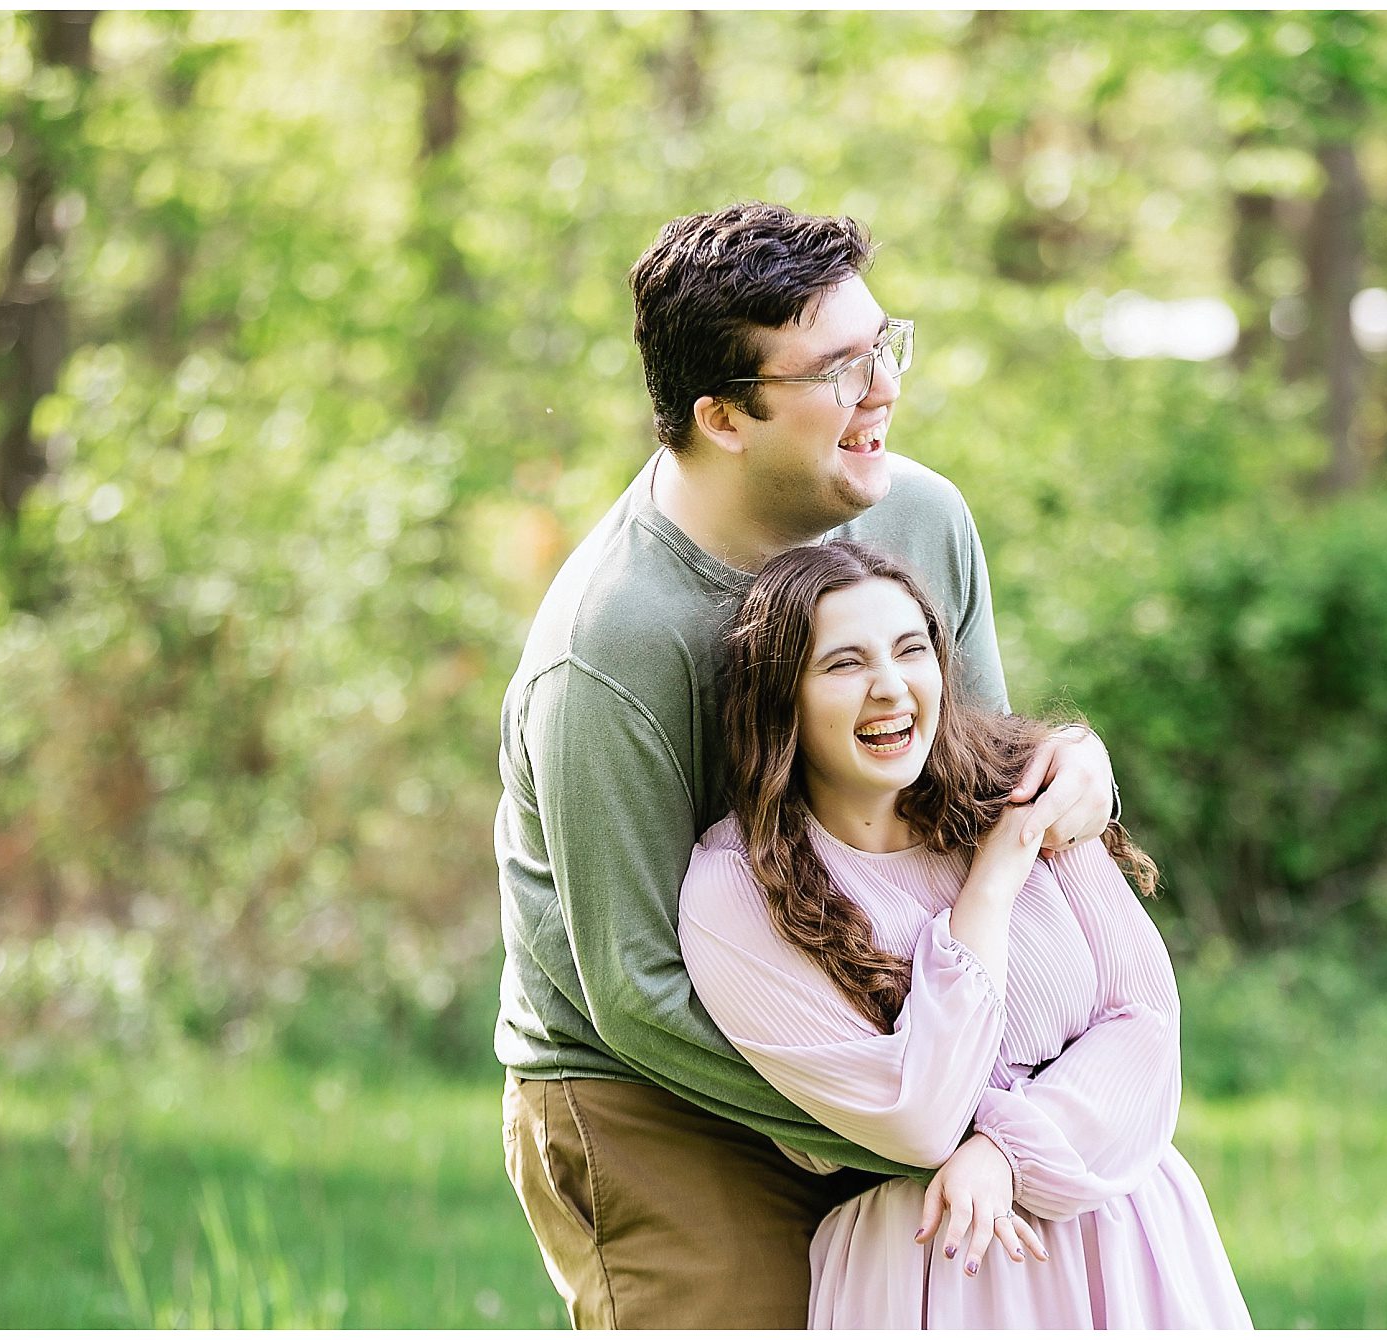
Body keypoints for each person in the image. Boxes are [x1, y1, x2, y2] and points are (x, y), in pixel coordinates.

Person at [494, 202, 1121, 1328]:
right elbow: (631, 992)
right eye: (838, 370)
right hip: (658, 1088)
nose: (881, 389)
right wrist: (924, 1123)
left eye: (885, 347)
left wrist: (1078, 773)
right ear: (723, 417)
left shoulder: (920, 519)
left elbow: (962, 790)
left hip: (889, 1044)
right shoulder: (608, 649)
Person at [679, 540, 1252, 1328]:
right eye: (844, 664)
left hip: (1123, 1226)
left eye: (911, 650)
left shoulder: (1019, 784)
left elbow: (1147, 1027)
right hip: (932, 1256)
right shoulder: (738, 887)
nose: (891, 687)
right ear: (783, 698)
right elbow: (920, 1113)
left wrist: (1006, 1154)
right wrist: (993, 881)